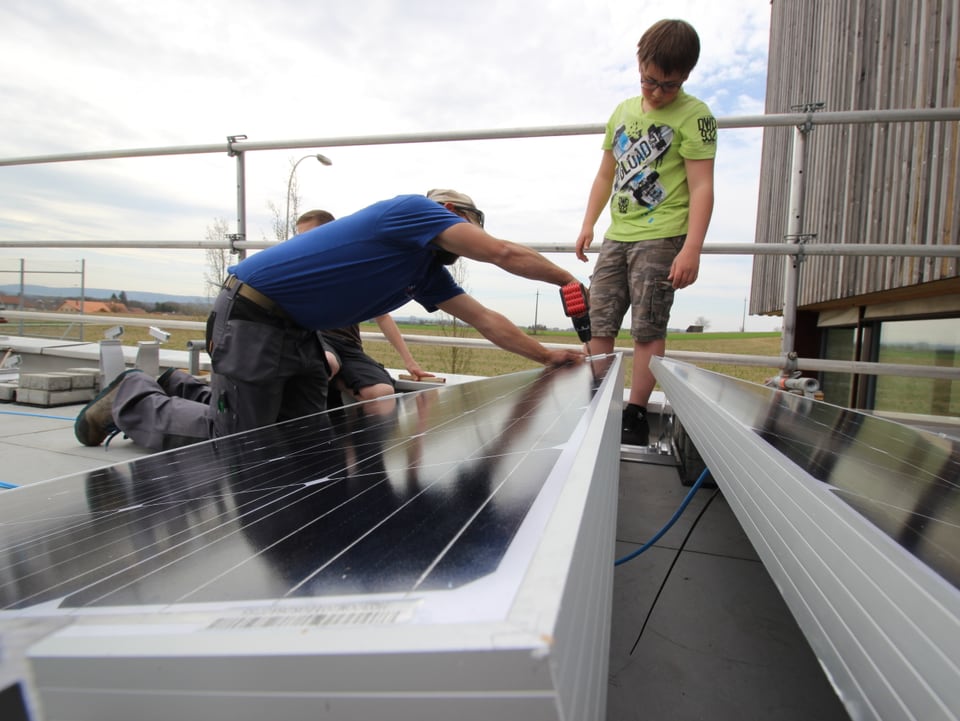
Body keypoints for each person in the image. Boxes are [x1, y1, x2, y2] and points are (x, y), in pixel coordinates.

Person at [75, 189, 585, 451]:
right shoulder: (413, 212)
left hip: (297, 330)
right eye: (464, 228)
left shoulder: (425, 274)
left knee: (299, 435)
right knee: (240, 442)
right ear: (451, 214)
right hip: (253, 315)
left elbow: (485, 319)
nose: (465, 244)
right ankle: (130, 398)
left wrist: (546, 354)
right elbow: (500, 253)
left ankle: (176, 383)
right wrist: (565, 278)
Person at [575, 19, 716, 446]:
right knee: (599, 317)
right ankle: (599, 400)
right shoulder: (622, 112)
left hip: (662, 235)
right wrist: (588, 222)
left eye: (667, 86)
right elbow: (605, 174)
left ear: (686, 77)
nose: (655, 92)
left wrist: (692, 248)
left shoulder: (696, 117)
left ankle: (634, 414)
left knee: (647, 327)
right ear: (639, 65)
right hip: (618, 234)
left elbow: (702, 186)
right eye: (648, 81)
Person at [294, 209, 436, 407]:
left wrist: (410, 362)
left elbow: (383, 317)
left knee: (383, 394)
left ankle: (354, 434)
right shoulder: (296, 271)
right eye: (299, 238)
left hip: (349, 348)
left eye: (309, 237)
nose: (302, 244)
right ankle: (313, 431)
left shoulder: (356, 270)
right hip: (318, 341)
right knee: (328, 362)